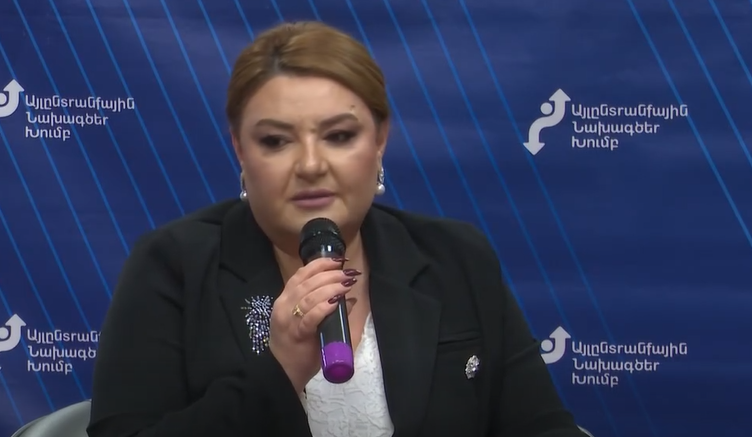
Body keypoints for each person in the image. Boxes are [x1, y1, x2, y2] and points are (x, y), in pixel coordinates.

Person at [87, 21, 587, 437]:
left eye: (339, 136)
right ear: (240, 149)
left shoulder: (455, 257)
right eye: (276, 141)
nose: (310, 165)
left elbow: (541, 426)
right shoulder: (173, 266)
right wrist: (280, 369)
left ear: (380, 139)